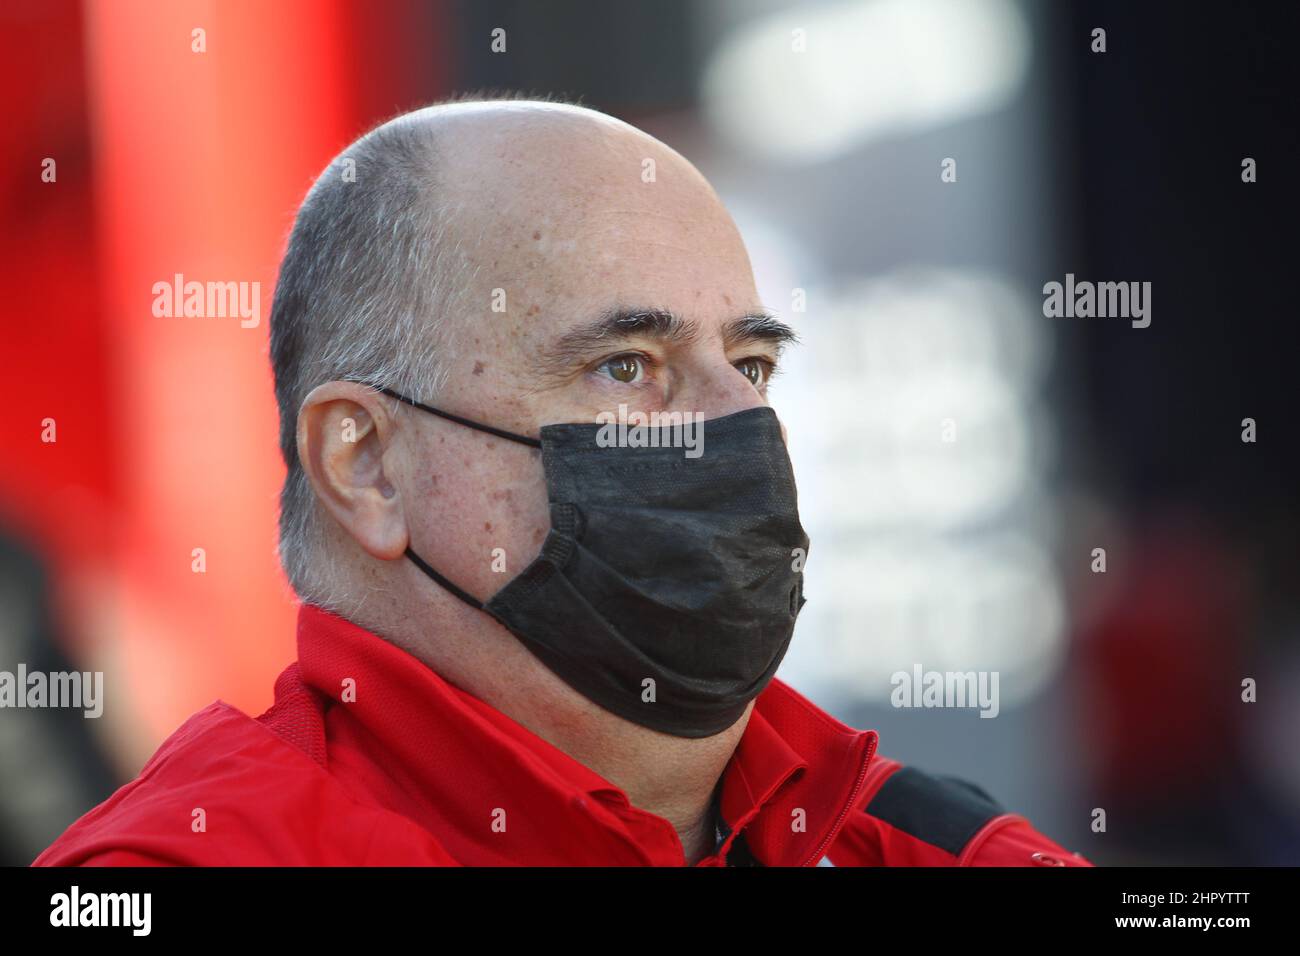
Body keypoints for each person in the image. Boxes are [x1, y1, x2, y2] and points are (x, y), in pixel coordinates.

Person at [34, 95, 1092, 867]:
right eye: (625, 366)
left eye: (753, 363)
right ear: (365, 464)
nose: (742, 427)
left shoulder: (934, 845)